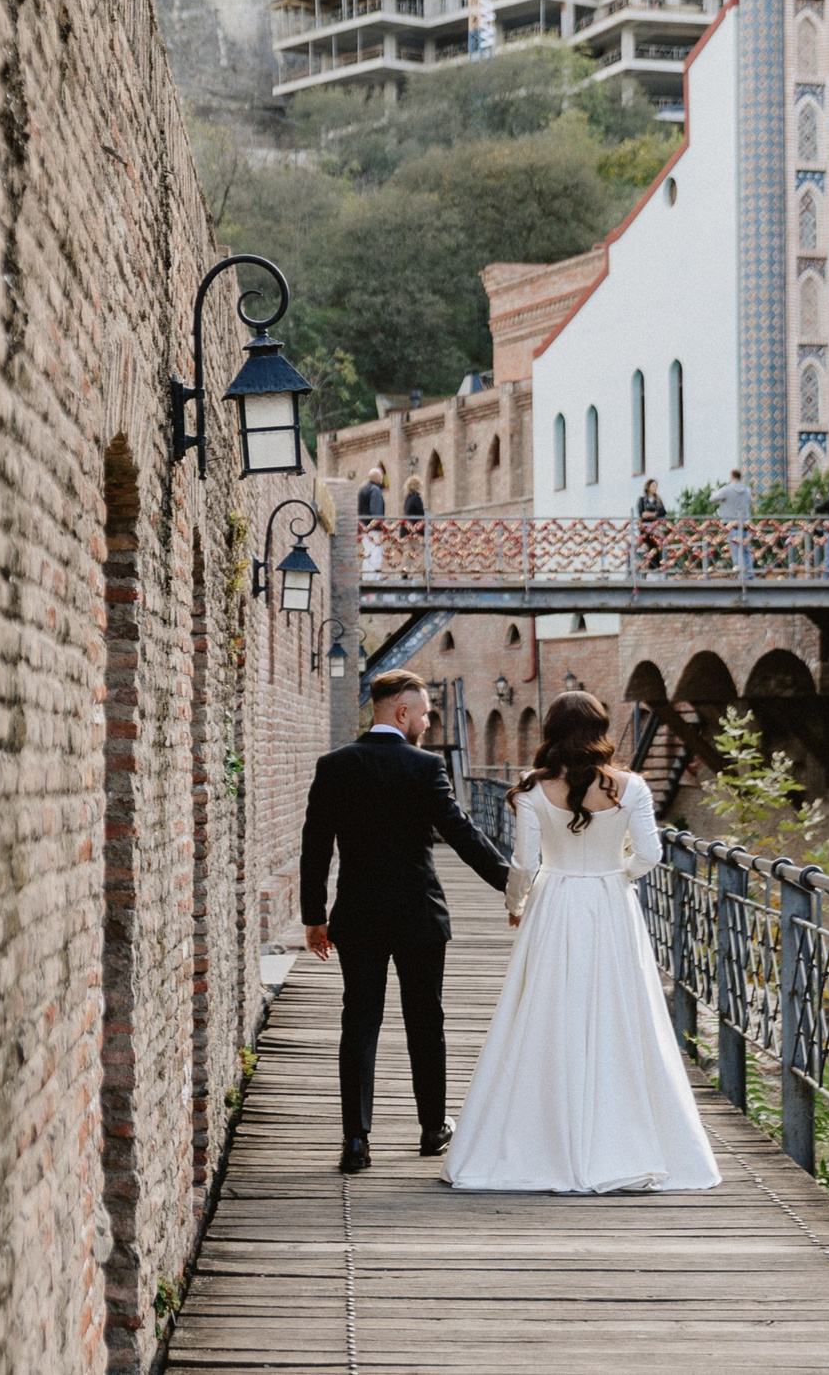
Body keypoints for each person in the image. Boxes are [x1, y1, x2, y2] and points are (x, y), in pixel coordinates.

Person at [441, 691, 720, 1194]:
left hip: (555, 903)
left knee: (547, 1011)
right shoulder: (630, 786)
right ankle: (623, 1138)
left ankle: (542, 1137)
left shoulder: (531, 788)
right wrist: (618, 876)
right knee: (622, 1013)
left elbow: (524, 863)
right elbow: (651, 855)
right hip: (612, 906)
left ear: (552, 730)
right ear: (601, 728)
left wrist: (515, 903)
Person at [298, 669, 510, 1175]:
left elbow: (315, 846)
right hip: (418, 914)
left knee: (359, 1021)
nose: (427, 720)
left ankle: (355, 1141)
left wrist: (314, 917)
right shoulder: (424, 766)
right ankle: (432, 1128)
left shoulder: (334, 765)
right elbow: (462, 834)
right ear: (402, 713)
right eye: (423, 713)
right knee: (425, 1020)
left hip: (358, 915)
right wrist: (512, 884)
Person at [715, 468, 753, 579]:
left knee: (736, 551)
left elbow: (713, 498)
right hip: (745, 524)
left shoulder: (727, 489)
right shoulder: (747, 490)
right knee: (746, 551)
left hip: (731, 524)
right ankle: (749, 574)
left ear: (731, 477)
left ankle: (740, 575)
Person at [634, 478, 667, 574]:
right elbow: (642, 514)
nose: (655, 488)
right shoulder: (642, 499)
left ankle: (656, 566)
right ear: (648, 487)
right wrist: (653, 514)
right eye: (653, 486)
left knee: (657, 545)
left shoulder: (658, 499)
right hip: (645, 527)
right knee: (648, 545)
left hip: (655, 526)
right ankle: (648, 567)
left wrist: (650, 514)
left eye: (656, 486)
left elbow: (663, 512)